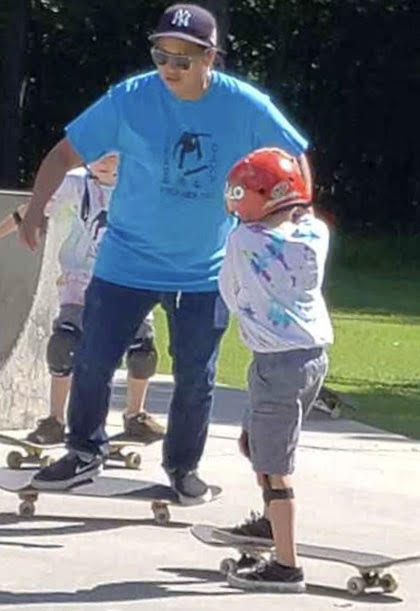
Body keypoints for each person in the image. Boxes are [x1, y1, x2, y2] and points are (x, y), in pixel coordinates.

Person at [17, 3, 312, 504]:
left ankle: (182, 468)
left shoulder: (244, 105)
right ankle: (84, 452)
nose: (170, 69)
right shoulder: (130, 99)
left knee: (196, 376)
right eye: (162, 56)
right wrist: (37, 208)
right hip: (126, 259)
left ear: (209, 58)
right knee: (91, 359)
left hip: (204, 269)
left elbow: (295, 160)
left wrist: (292, 223)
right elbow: (64, 153)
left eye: (183, 59)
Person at [0, 154, 165, 444]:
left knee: (142, 351)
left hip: (129, 280)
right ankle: (55, 420)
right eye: (96, 156)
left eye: (109, 158)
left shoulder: (144, 185)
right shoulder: (75, 183)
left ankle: (136, 416)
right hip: (80, 278)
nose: (101, 163)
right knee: (64, 344)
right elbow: (33, 210)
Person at [218, 148, 333, 592]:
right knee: (256, 444)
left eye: (240, 193)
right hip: (309, 359)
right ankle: (269, 522)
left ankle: (286, 566)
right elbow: (301, 211)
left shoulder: (244, 240)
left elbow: (229, 287)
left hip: (276, 363)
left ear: (267, 196)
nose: (233, 202)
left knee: (273, 464)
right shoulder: (314, 234)